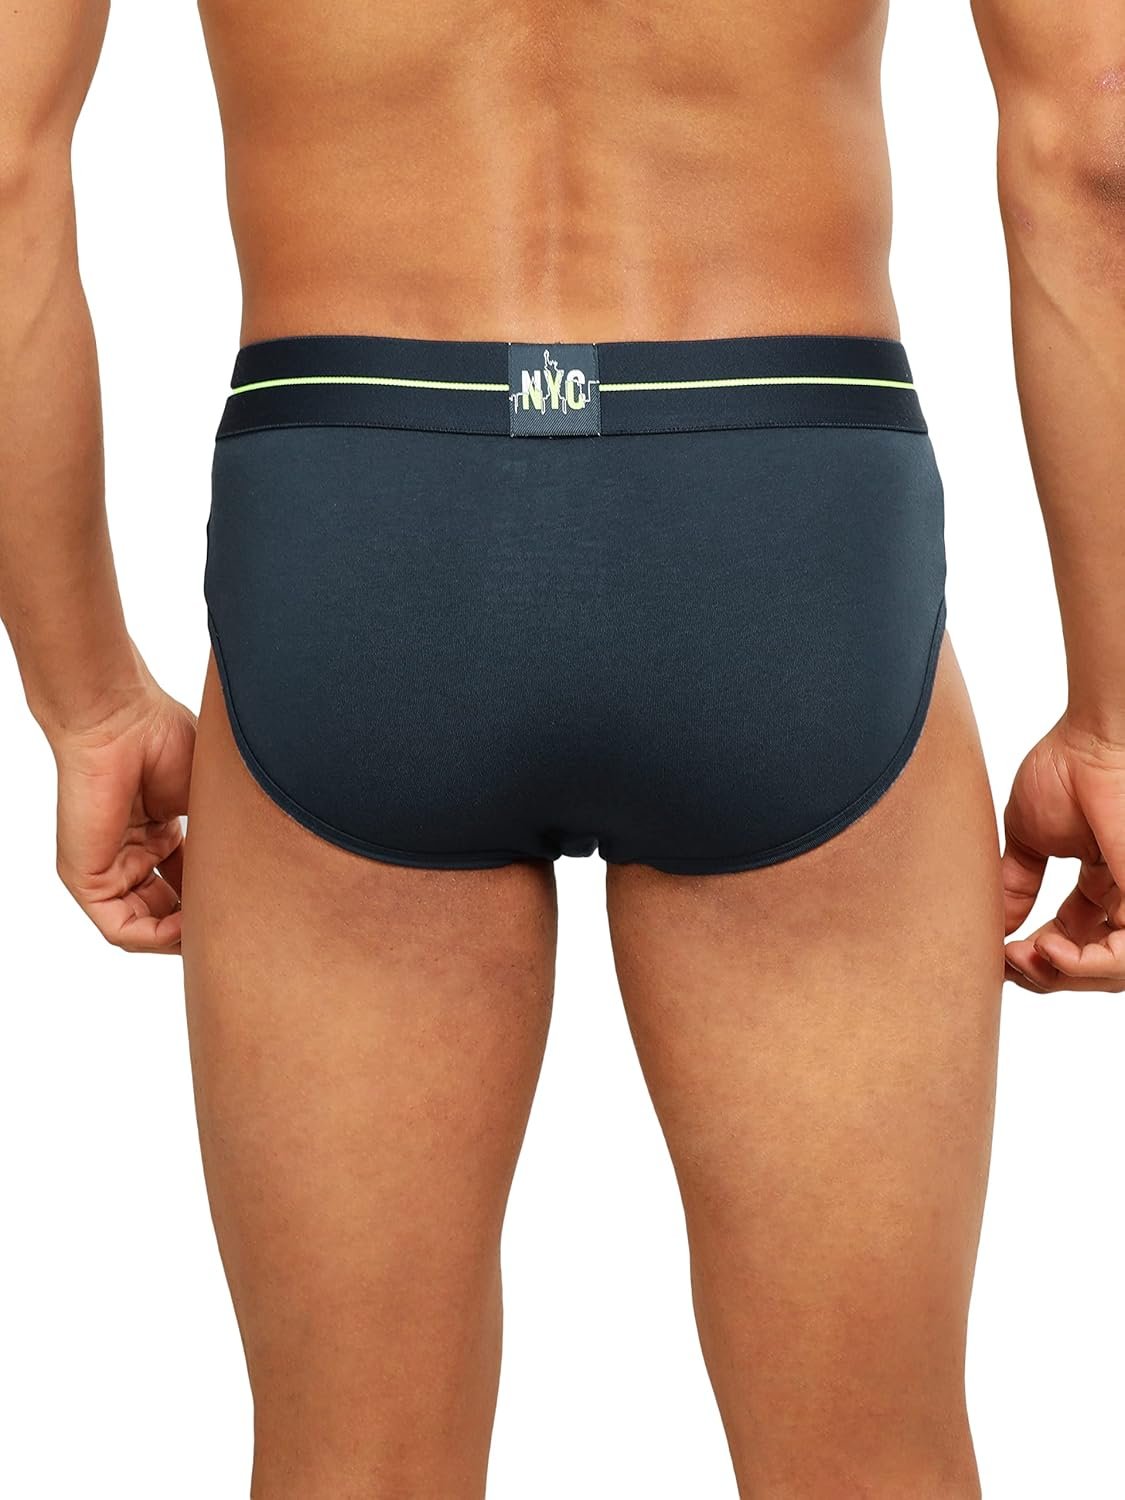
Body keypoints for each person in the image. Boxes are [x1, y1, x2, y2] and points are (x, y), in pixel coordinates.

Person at [1, 1, 1122, 1496]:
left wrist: (85, 701)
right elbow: (1095, 141)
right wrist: (1116, 718)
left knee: (352, 1467)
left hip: (365, 510)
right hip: (774, 510)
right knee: (871, 1464)